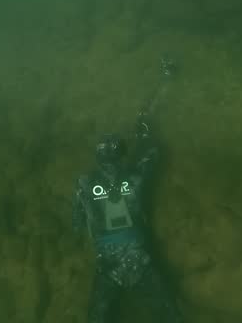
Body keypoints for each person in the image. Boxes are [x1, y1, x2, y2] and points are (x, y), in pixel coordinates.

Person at [71, 57, 183, 323]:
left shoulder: (84, 183)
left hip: (107, 262)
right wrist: (144, 130)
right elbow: (153, 152)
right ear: (121, 157)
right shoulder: (135, 177)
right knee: (169, 315)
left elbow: (76, 222)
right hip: (138, 256)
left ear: (98, 159)